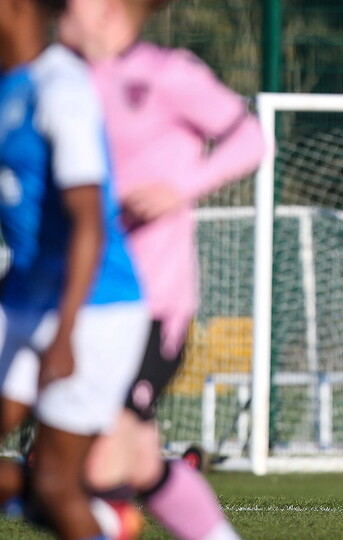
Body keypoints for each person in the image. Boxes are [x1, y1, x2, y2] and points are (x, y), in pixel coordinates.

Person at [34, 0, 266, 538]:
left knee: (93, 465)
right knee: (138, 463)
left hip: (153, 304)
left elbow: (251, 138)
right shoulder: (59, 79)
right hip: (79, 300)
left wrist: (179, 190)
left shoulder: (168, 73)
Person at [0, 0, 150, 538]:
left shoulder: (60, 87)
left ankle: (82, 514)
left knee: (58, 484)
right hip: (22, 298)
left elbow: (89, 221)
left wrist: (64, 335)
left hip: (94, 309)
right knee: (49, 490)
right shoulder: (8, 86)